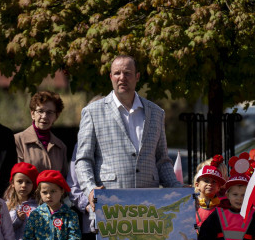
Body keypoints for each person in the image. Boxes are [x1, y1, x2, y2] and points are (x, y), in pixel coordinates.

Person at [75, 54, 181, 211]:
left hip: (149, 206)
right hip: (110, 205)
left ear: (137, 77)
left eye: (127, 73)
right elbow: (83, 159)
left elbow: (162, 161)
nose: (122, 78)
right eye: (117, 73)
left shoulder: (156, 113)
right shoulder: (92, 112)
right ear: (110, 77)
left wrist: (177, 188)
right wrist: (90, 189)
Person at [15, 91, 69, 176]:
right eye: (40, 111)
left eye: (50, 112)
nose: (44, 116)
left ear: (56, 116)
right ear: (32, 114)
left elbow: (64, 181)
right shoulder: (18, 140)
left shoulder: (61, 147)